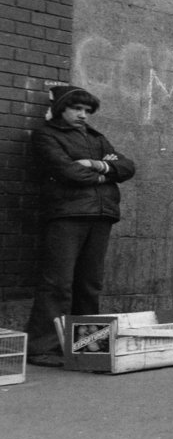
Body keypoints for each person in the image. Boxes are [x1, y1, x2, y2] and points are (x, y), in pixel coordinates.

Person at [24, 86, 137, 366]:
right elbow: (66, 171)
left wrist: (93, 164)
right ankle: (42, 349)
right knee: (58, 283)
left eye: (87, 111)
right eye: (77, 109)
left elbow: (128, 167)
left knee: (89, 285)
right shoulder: (46, 135)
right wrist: (105, 172)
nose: (83, 115)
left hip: (101, 215)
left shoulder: (97, 139)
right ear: (62, 108)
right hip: (66, 215)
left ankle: (88, 348)